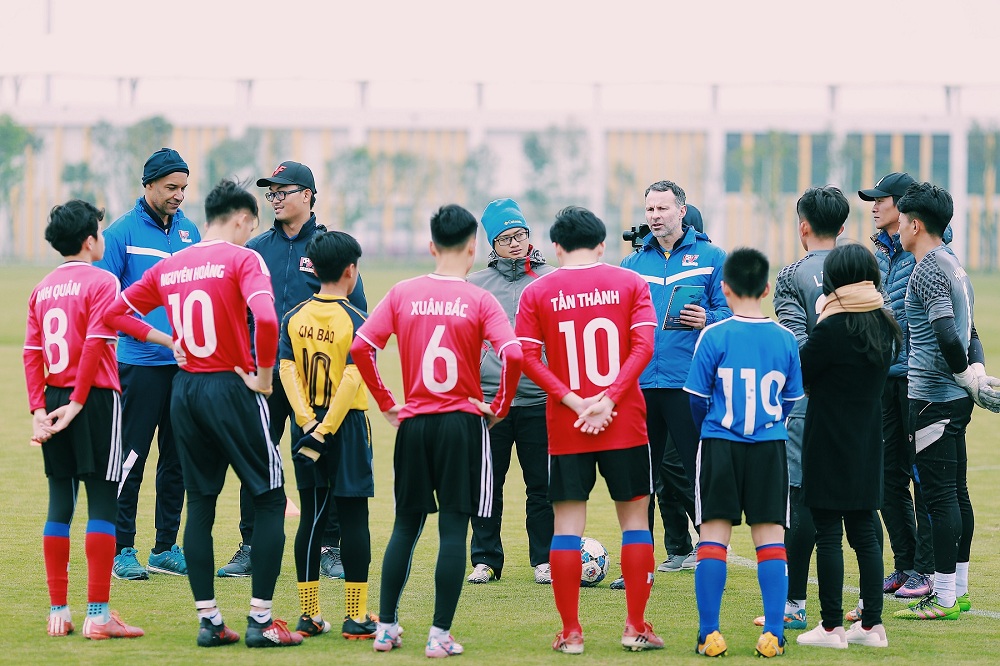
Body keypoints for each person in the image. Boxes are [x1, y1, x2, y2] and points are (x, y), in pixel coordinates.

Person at [103, 179, 303, 648]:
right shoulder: (243, 258)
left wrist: (166, 340)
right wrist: (266, 377)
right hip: (231, 385)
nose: (248, 233)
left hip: (184, 388)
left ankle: (210, 621)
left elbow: (115, 313)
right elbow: (268, 318)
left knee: (201, 502)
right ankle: (261, 621)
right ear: (240, 218)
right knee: (271, 497)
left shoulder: (173, 265)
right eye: (249, 225)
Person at [350, 204, 523, 658]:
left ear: (430, 246)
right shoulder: (479, 298)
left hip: (415, 423)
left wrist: (389, 404)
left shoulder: (403, 292)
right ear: (472, 248)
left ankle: (385, 628)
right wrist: (500, 408)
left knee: (405, 527)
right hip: (462, 424)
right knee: (453, 530)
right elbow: (515, 354)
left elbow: (361, 346)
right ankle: (439, 635)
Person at [516, 205, 663, 654]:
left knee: (566, 526)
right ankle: (635, 626)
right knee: (635, 521)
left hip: (568, 422)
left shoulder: (538, 291)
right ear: (602, 244)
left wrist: (574, 400)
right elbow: (644, 346)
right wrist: (610, 397)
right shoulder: (630, 282)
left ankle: (572, 633)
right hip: (625, 422)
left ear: (556, 247)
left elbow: (526, 356)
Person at [219, 160, 366, 579]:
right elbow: (236, 311)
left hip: (315, 380)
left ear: (308, 195)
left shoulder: (329, 247)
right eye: (271, 193)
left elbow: (359, 313)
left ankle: (329, 548)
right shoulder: (256, 249)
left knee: (321, 458)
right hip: (263, 375)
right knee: (256, 457)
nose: (275, 199)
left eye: (283, 191)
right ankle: (250, 546)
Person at [24, 200, 154, 640]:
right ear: (89, 240)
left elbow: (31, 354)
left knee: (60, 503)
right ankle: (98, 615)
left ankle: (58, 611)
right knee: (102, 501)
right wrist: (79, 402)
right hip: (93, 398)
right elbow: (100, 341)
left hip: (54, 396)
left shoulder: (41, 289)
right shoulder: (103, 280)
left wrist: (40, 412)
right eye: (99, 232)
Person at [684, 247, 803, 659]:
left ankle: (709, 634)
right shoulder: (786, 339)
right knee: (770, 539)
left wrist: (717, 424)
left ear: (725, 289)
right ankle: (773, 634)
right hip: (770, 448)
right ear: (767, 288)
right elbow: (790, 401)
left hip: (720, 443)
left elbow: (697, 399)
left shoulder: (713, 335)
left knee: (712, 536)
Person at [892, 182, 1000, 620]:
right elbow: (970, 333)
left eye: (901, 220)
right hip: (953, 397)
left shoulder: (928, 270)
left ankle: (944, 597)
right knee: (957, 493)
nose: (898, 227)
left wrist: (963, 374)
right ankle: (959, 589)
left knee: (939, 498)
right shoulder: (955, 265)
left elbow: (947, 333)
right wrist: (974, 375)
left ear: (916, 224)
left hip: (933, 397)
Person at [618, 180, 729, 585]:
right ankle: (638, 562)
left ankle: (711, 552)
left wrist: (708, 320)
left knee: (698, 471)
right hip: (642, 383)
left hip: (690, 384)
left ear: (682, 210)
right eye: (649, 210)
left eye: (663, 209)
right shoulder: (631, 265)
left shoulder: (712, 256)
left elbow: (730, 313)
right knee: (640, 475)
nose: (655, 216)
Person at [96, 147, 200, 580]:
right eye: (171, 187)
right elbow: (106, 302)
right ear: (149, 185)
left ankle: (165, 546)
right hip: (138, 364)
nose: (179, 195)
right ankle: (123, 549)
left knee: (176, 459)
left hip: (185, 366)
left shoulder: (190, 233)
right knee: (131, 459)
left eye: (183, 188)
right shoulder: (120, 233)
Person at [795, 244, 902, 650]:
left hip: (827, 438)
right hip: (868, 439)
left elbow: (801, 374)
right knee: (864, 533)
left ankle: (831, 627)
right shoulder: (884, 323)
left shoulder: (831, 328)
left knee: (827, 533)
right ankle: (872, 625)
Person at [278, 230, 377, 640]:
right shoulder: (357, 320)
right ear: (351, 271)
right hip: (347, 427)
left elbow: (286, 369)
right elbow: (353, 377)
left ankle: (309, 615)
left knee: (313, 517)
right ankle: (356, 617)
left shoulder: (295, 316)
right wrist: (328, 428)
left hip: (307, 426)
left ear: (313, 269)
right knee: (353, 519)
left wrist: (306, 423)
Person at [762, 185, 847, 631]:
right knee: (857, 506)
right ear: (844, 227)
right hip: (855, 405)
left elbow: (796, 343)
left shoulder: (792, 274)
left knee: (802, 501)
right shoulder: (860, 269)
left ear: (803, 227)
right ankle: (868, 610)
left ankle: (795, 603)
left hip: (808, 404)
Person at [466, 198, 555, 586]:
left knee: (542, 485)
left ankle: (544, 559)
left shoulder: (552, 279)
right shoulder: (475, 284)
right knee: (487, 485)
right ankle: (485, 559)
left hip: (540, 399)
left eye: (520, 234)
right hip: (491, 403)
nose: (516, 243)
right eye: (505, 238)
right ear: (493, 244)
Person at [860, 172, 936, 604]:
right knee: (888, 478)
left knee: (922, 478)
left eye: (880, 199)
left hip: (914, 377)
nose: (873, 205)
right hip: (885, 377)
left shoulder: (921, 253)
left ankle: (926, 569)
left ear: (904, 207)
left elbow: (902, 317)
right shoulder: (882, 251)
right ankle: (905, 564)